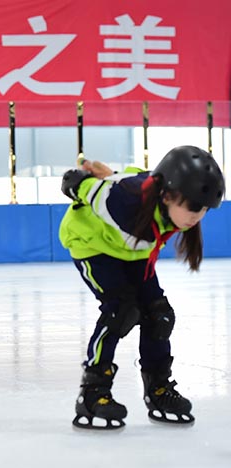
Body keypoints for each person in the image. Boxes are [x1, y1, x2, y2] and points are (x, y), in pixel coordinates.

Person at [59, 145, 225, 429]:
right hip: (91, 245)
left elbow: (130, 180)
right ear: (168, 195)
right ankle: (93, 391)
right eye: (195, 206)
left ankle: (159, 389)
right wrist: (78, 182)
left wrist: (110, 174)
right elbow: (89, 188)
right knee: (121, 311)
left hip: (132, 252)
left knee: (159, 315)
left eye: (205, 209)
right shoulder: (124, 203)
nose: (198, 216)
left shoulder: (166, 203)